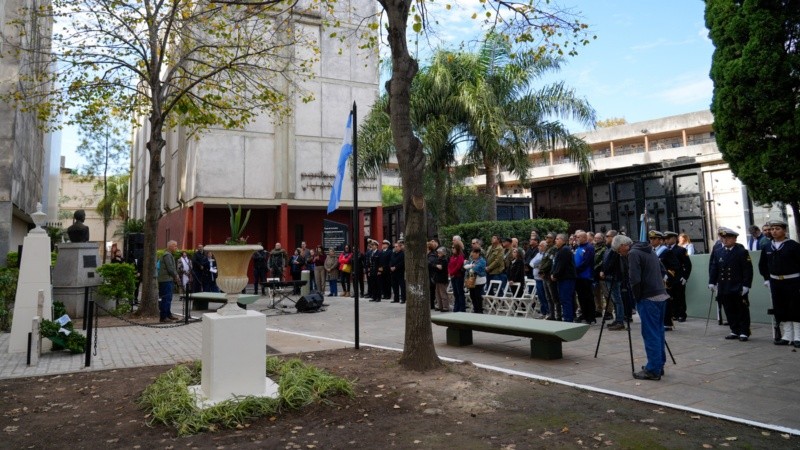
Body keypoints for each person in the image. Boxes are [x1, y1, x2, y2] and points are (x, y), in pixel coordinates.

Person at [614, 234, 668, 381]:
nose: (621, 254)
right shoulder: (649, 249)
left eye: (619, 251)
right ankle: (658, 365)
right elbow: (663, 271)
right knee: (658, 331)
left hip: (648, 297)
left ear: (624, 246)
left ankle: (653, 370)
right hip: (661, 295)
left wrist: (636, 297)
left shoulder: (633, 253)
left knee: (650, 333)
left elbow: (634, 279)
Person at [758, 219, 800, 346]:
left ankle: (798, 336)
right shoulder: (767, 247)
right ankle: (787, 336)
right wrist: (766, 278)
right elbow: (763, 265)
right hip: (776, 282)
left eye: (777, 229)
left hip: (793, 281)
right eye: (772, 229)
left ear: (784, 230)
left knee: (795, 308)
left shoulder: (793, 245)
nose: (774, 231)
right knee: (780, 308)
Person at [708, 227, 753, 341]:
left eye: (727, 238)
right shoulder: (719, 252)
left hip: (737, 285)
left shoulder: (741, 251)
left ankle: (744, 331)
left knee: (741, 308)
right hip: (724, 285)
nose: (724, 240)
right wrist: (712, 282)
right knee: (729, 309)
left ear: (734, 239)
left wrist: (746, 285)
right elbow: (714, 267)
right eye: (723, 238)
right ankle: (734, 330)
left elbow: (747, 269)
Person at [649, 230, 679, 331]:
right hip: (653, 281)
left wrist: (667, 276)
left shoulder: (666, 251)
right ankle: (658, 321)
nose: (652, 241)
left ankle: (667, 323)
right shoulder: (650, 251)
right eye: (651, 239)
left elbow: (674, 266)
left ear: (660, 240)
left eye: (654, 239)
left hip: (664, 281)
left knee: (665, 303)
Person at [665, 231, 692, 323]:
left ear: (674, 239)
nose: (667, 240)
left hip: (678, 277)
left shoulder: (681, 250)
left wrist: (685, 277)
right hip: (668, 278)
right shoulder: (664, 250)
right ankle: (674, 314)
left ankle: (681, 314)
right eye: (666, 239)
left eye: (669, 238)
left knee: (680, 296)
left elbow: (688, 265)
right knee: (670, 297)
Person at [601, 230, 625, 331]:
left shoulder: (615, 249)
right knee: (614, 299)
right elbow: (605, 262)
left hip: (613, 277)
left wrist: (605, 272)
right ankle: (617, 319)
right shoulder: (608, 248)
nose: (605, 238)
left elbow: (611, 263)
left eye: (607, 236)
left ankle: (620, 321)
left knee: (617, 299)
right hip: (608, 277)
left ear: (614, 237)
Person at [551, 233, 577, 323]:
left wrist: (555, 275)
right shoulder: (560, 250)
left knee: (566, 299)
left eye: (557, 239)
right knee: (564, 299)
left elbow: (561, 265)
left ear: (563, 240)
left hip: (567, 279)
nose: (555, 240)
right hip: (563, 279)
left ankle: (568, 319)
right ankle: (568, 317)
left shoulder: (564, 250)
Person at [574, 230, 596, 324]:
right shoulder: (578, 248)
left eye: (578, 237)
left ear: (584, 238)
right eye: (576, 237)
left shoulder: (589, 248)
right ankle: (584, 314)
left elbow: (586, 262)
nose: (577, 239)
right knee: (581, 297)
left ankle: (590, 317)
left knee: (588, 297)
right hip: (578, 277)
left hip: (586, 276)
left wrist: (575, 270)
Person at [157, 240, 180, 323]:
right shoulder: (167, 255)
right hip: (165, 280)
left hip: (168, 279)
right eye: (175, 246)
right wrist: (176, 275)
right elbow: (170, 268)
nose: (176, 247)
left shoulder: (169, 255)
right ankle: (163, 317)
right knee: (166, 298)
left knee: (169, 298)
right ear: (170, 246)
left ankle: (168, 314)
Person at [540, 232, 560, 320]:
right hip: (545, 276)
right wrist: (541, 270)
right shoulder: (547, 249)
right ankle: (551, 314)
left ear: (552, 239)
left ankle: (558, 315)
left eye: (548, 237)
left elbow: (550, 263)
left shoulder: (554, 249)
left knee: (554, 297)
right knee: (548, 297)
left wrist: (542, 270)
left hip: (549, 275)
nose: (546, 238)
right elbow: (543, 261)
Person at [463, 247, 487, 314]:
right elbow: (465, 266)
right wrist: (471, 265)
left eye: (473, 253)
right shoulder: (472, 260)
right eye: (472, 252)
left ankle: (480, 311)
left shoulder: (482, 261)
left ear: (478, 253)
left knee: (477, 296)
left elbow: (475, 269)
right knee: (472, 296)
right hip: (471, 281)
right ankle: (475, 309)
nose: (472, 254)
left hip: (479, 282)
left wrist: (470, 266)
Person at [529, 241, 549, 318]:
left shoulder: (545, 255)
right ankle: (543, 312)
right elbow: (531, 263)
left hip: (542, 279)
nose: (538, 247)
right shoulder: (538, 254)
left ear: (544, 246)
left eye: (540, 246)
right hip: (537, 278)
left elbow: (536, 263)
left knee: (545, 296)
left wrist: (536, 265)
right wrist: (536, 265)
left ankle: (548, 312)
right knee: (540, 296)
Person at [448, 240, 466, 311]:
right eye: (452, 248)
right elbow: (449, 265)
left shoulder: (460, 256)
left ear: (457, 248)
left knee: (460, 293)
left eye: (453, 248)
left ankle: (462, 308)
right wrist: (449, 272)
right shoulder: (452, 256)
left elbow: (458, 266)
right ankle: (456, 307)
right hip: (453, 277)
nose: (452, 249)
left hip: (458, 276)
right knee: (455, 293)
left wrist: (452, 273)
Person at [432, 247, 450, 312]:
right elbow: (433, 265)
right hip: (437, 279)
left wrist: (436, 266)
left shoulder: (444, 260)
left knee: (443, 293)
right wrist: (436, 266)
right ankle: (440, 306)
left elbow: (441, 268)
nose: (438, 254)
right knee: (438, 293)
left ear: (443, 253)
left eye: (440, 253)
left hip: (442, 279)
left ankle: (445, 307)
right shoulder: (438, 259)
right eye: (438, 253)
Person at [427, 239, 440, 310]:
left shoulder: (432, 255)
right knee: (431, 291)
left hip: (431, 276)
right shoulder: (430, 255)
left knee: (432, 291)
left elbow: (430, 264)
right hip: (430, 276)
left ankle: (432, 305)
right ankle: (431, 304)